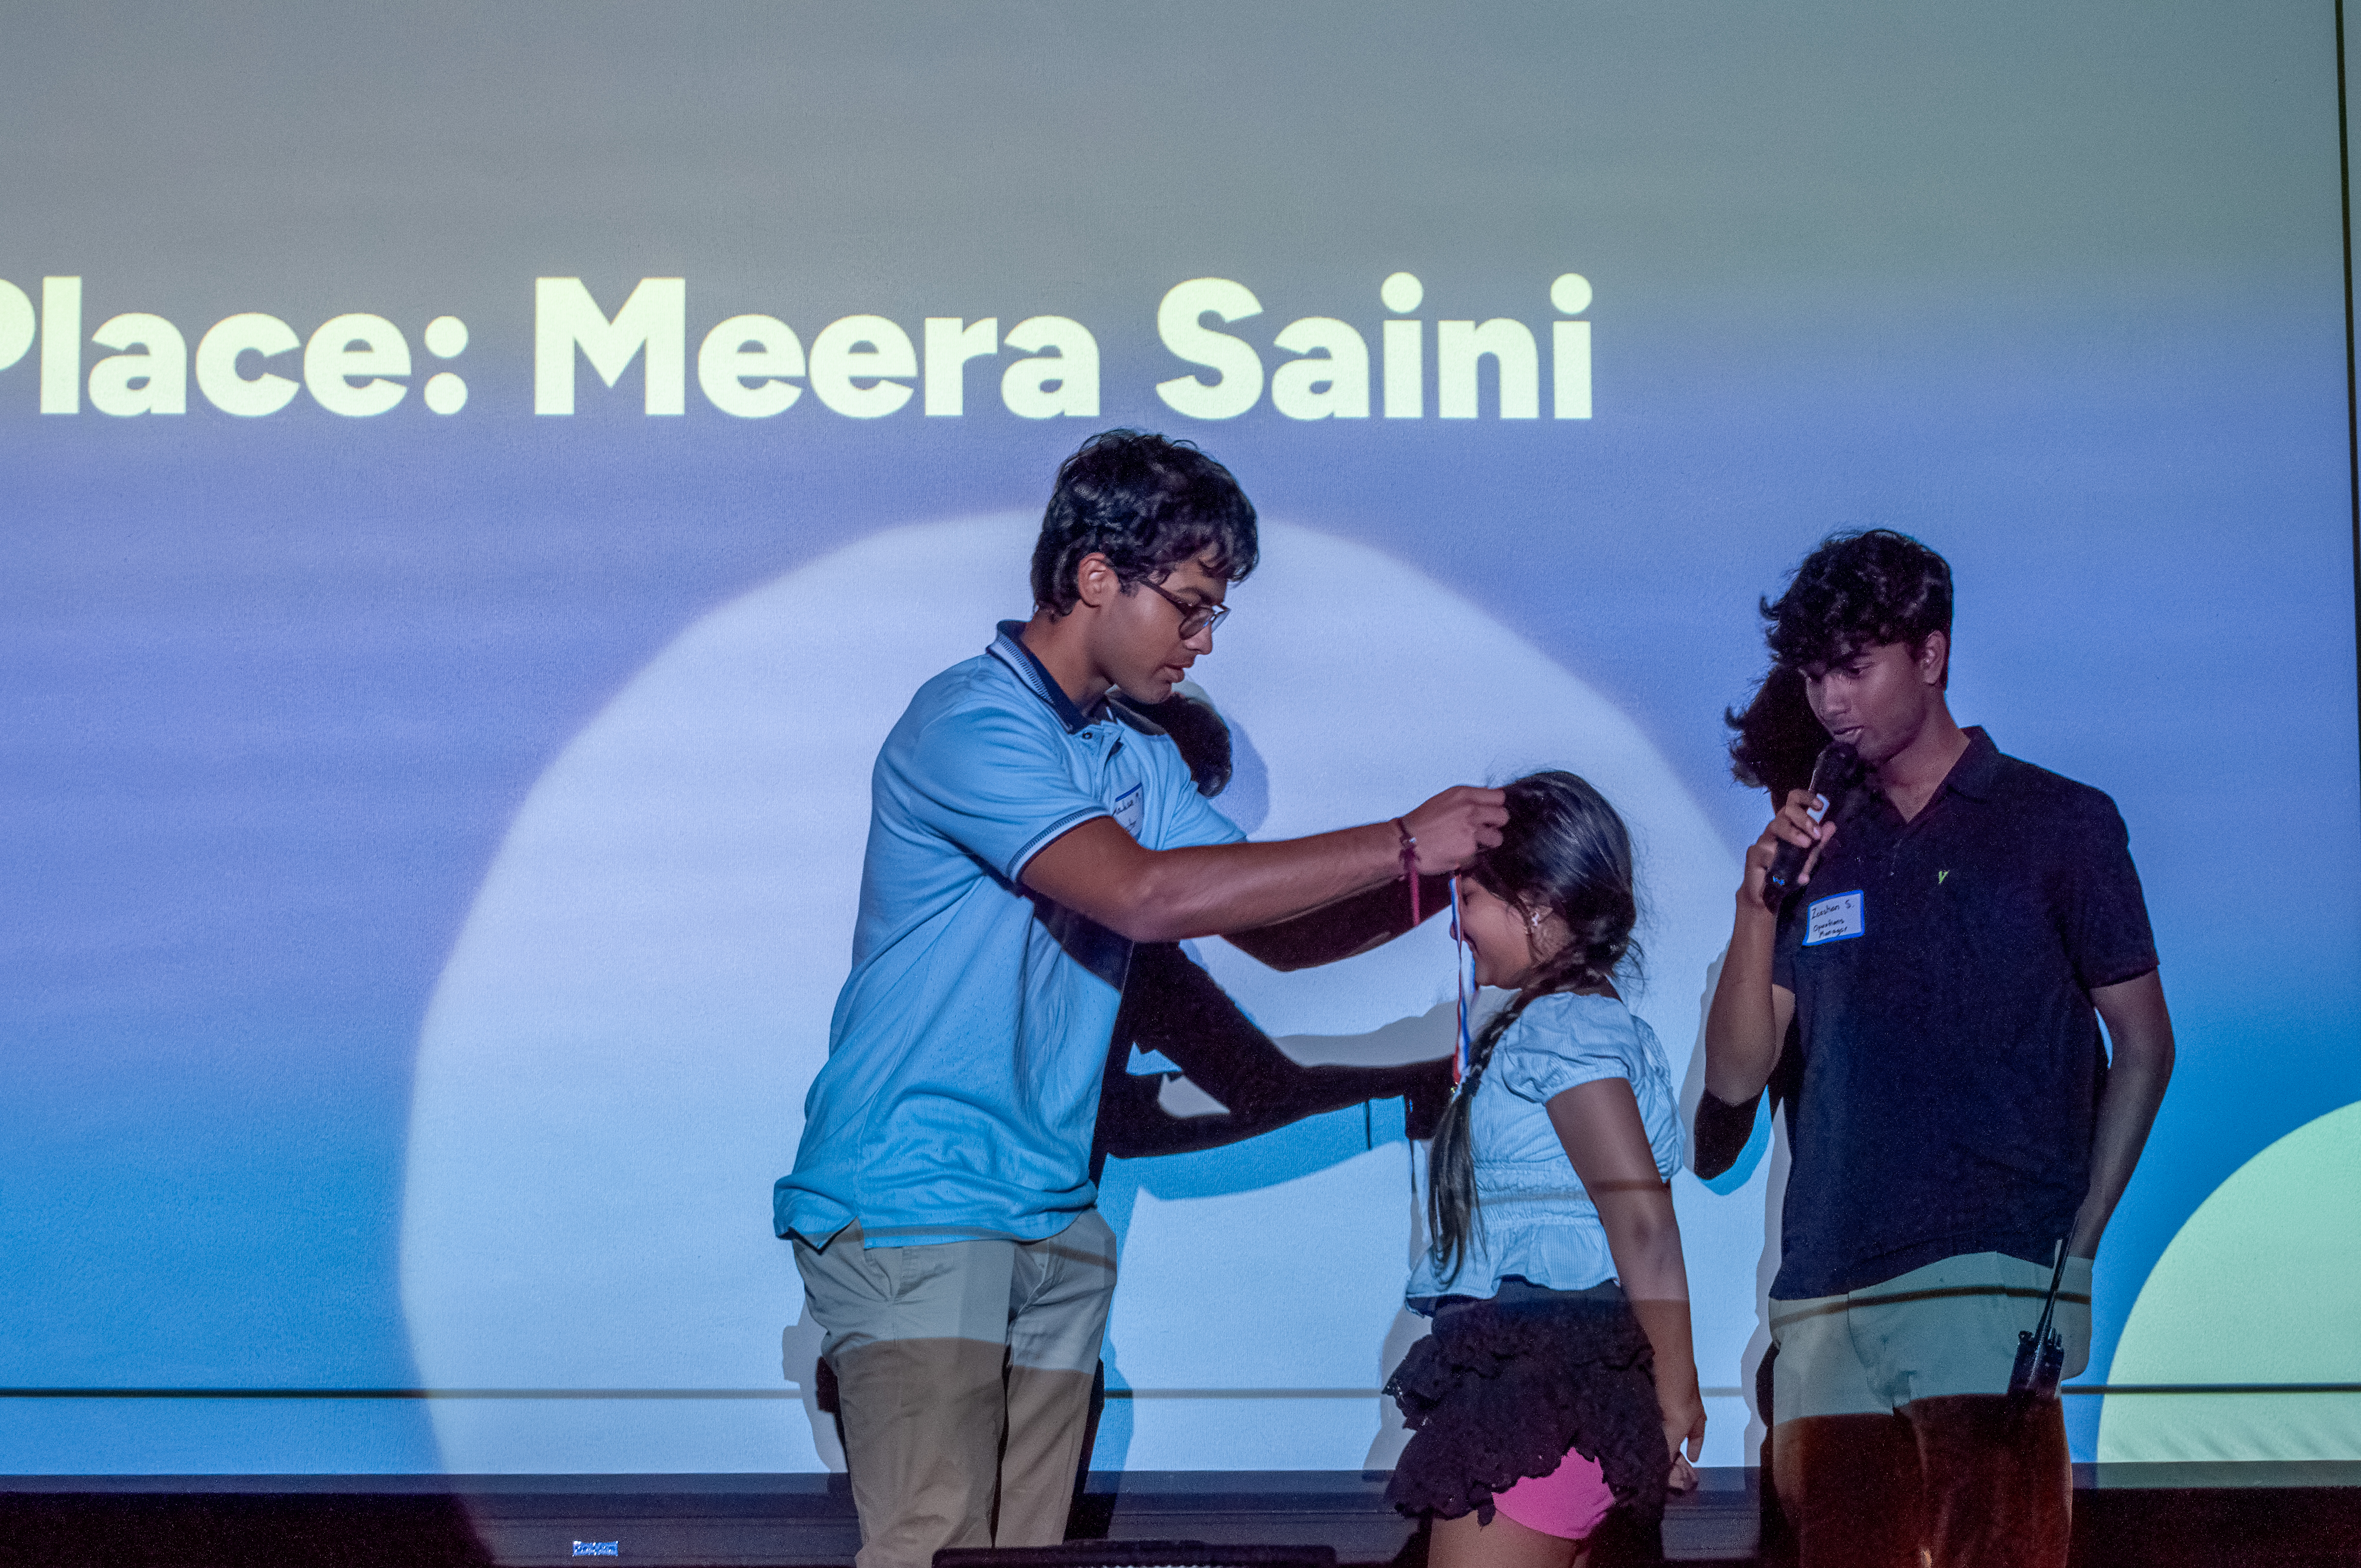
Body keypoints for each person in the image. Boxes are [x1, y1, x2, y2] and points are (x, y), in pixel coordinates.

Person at [773, 430, 1508, 1568]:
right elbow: (1143, 894)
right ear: (1095, 575)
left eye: (1218, 615)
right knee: (932, 1551)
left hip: (1054, 1207)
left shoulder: (1136, 755)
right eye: (1192, 606)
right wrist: (1405, 836)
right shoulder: (969, 719)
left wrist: (1441, 874)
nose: (1205, 642)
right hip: (916, 1194)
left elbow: (1286, 939)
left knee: (1028, 1561)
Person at [1702, 529, 2176, 1568]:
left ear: (1931, 653)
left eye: (1854, 668)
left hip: (1989, 1276)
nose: (1830, 701)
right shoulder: (1820, 848)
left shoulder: (2059, 822)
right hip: (1824, 1288)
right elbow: (1735, 1077)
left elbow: (2143, 1044)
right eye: (1814, 673)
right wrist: (1753, 904)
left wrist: (2078, 1243)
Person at [1384, 771, 1705, 1567]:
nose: (1457, 929)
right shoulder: (1578, 1023)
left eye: (1468, 900)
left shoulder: (1562, 1028)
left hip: (1539, 1389)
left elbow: (1641, 1219)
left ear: (1536, 901)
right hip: (1563, 1382)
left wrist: (1672, 1401)